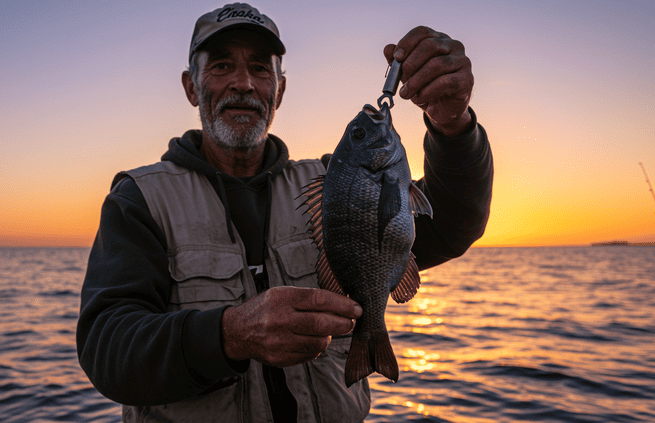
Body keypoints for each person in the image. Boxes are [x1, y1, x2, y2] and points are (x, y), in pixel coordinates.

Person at [77, 3, 493, 422]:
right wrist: (229, 336)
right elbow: (105, 348)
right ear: (191, 87)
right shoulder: (140, 199)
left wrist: (453, 125)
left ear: (280, 89)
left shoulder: (334, 182)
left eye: (260, 68)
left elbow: (453, 224)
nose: (243, 83)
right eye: (221, 66)